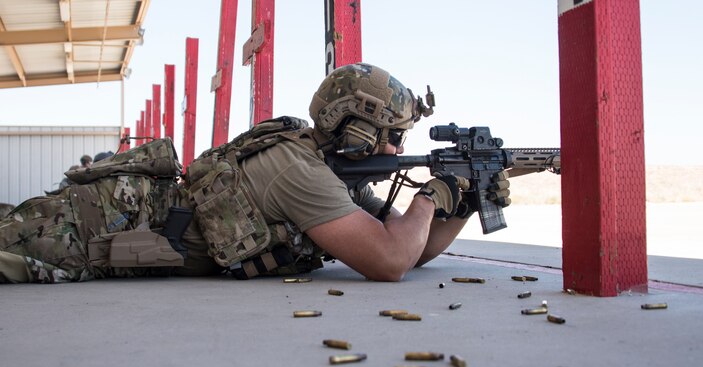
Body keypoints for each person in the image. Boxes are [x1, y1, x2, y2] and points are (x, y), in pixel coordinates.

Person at [0, 63, 509, 284]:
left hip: (126, 231)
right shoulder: (302, 173)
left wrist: (461, 200)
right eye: (393, 133)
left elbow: (410, 248)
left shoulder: (332, 178)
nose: (400, 147)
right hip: (96, 225)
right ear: (356, 130)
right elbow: (389, 261)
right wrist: (430, 194)